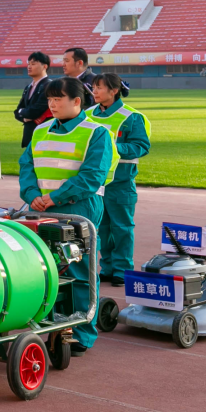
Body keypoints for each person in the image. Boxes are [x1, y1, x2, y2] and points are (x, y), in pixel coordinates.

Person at [18, 76, 112, 355]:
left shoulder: (97, 133)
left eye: (58, 99)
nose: (52, 104)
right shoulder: (40, 130)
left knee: (79, 271)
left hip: (78, 209)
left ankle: (82, 332)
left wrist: (54, 197)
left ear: (77, 101)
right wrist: (31, 194)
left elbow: (92, 177)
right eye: (49, 99)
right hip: (40, 209)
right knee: (43, 269)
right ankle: (49, 324)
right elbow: (27, 166)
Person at [86, 73, 151, 286]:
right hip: (96, 183)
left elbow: (141, 147)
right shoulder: (87, 115)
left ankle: (122, 270)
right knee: (102, 228)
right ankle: (107, 268)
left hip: (121, 183)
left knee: (122, 227)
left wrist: (111, 147)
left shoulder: (131, 117)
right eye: (93, 87)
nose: (94, 91)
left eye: (99, 88)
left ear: (114, 91)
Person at [14, 51, 53, 147]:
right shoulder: (28, 87)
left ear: (45, 66)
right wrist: (24, 117)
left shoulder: (49, 86)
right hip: (29, 134)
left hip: (43, 135)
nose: (29, 67)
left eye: (33, 64)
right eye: (28, 64)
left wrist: (22, 112)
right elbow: (16, 111)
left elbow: (35, 111)